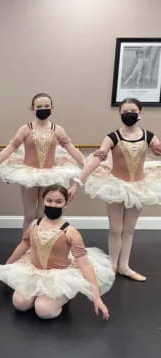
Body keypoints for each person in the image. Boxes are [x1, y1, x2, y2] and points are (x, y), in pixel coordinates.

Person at [69, 97, 161, 281]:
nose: (129, 115)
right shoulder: (113, 137)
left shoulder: (148, 136)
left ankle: (124, 265)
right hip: (115, 185)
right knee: (115, 228)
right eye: (125, 112)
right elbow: (97, 159)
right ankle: (112, 265)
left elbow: (158, 149)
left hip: (139, 186)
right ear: (120, 114)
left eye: (133, 111)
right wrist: (76, 182)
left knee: (129, 229)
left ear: (139, 113)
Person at [0, 185, 113, 320]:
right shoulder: (34, 224)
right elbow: (24, 244)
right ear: (43, 200)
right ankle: (41, 295)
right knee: (20, 304)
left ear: (65, 204)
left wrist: (97, 297)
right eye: (49, 201)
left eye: (58, 202)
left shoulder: (70, 232)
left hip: (58, 275)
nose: (53, 205)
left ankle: (63, 295)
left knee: (43, 311)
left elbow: (84, 263)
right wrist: (7, 265)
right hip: (34, 271)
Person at [0, 93, 85, 230]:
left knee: (42, 213)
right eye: (39, 106)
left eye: (46, 106)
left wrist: (87, 164)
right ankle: (27, 246)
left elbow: (71, 149)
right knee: (30, 214)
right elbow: (9, 149)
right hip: (28, 175)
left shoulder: (57, 130)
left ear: (52, 107)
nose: (43, 109)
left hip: (50, 174)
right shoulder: (26, 129)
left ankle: (39, 244)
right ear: (33, 109)